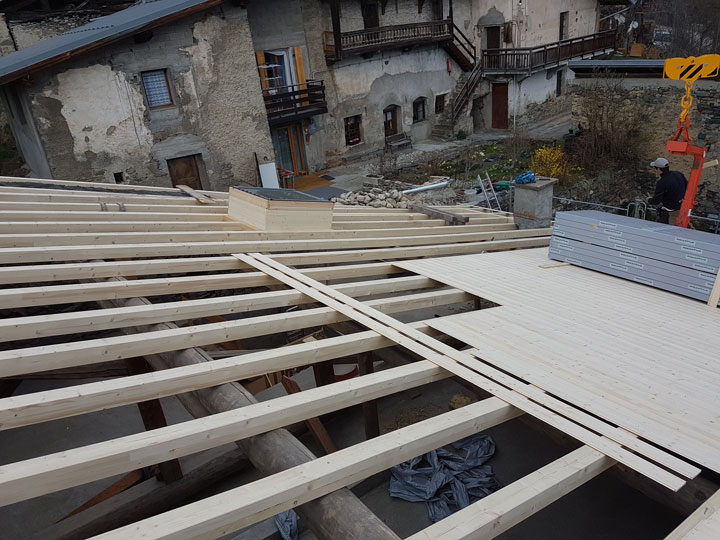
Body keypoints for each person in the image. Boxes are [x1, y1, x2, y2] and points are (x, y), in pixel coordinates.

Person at [647, 157, 688, 225]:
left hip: (672, 212)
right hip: (683, 208)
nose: (655, 170)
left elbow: (656, 201)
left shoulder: (662, 182)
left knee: (672, 232)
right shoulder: (678, 174)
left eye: (655, 168)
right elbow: (687, 187)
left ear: (659, 169)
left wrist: (649, 200)